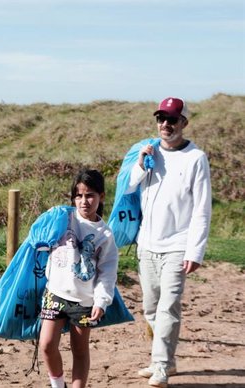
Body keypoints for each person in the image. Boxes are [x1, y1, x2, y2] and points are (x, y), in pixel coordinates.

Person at [128, 97, 212, 388]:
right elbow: (127, 187)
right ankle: (165, 360)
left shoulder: (196, 158)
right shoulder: (149, 152)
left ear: (184, 123)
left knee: (167, 308)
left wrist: (195, 250)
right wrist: (140, 163)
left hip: (178, 245)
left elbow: (202, 208)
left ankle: (161, 366)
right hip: (147, 244)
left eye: (172, 119)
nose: (166, 124)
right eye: (161, 118)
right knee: (150, 308)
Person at [39, 169, 119, 388]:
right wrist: (49, 216)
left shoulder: (105, 235)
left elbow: (108, 271)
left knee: (80, 350)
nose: (84, 201)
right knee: (46, 345)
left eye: (90, 195)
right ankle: (58, 385)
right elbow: (39, 236)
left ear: (101, 197)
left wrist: (101, 301)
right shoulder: (63, 218)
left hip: (84, 301)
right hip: (55, 293)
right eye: (79, 195)